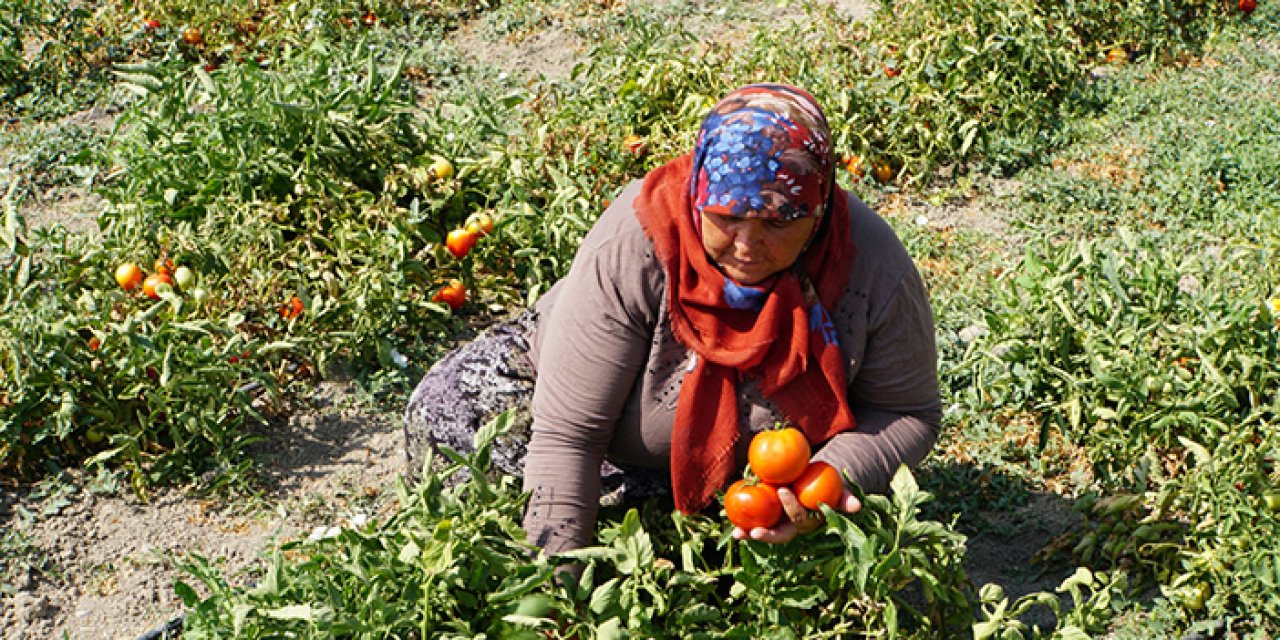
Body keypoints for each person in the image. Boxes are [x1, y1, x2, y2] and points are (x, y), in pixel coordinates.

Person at [403, 83, 941, 556]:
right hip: (565, 398)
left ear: (819, 209)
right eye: (726, 218)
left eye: (779, 222)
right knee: (449, 423)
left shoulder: (868, 265)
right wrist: (557, 588)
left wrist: (823, 485)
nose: (748, 246)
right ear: (699, 197)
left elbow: (907, 411)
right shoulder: (639, 242)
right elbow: (570, 435)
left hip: (758, 475)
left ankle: (687, 503)